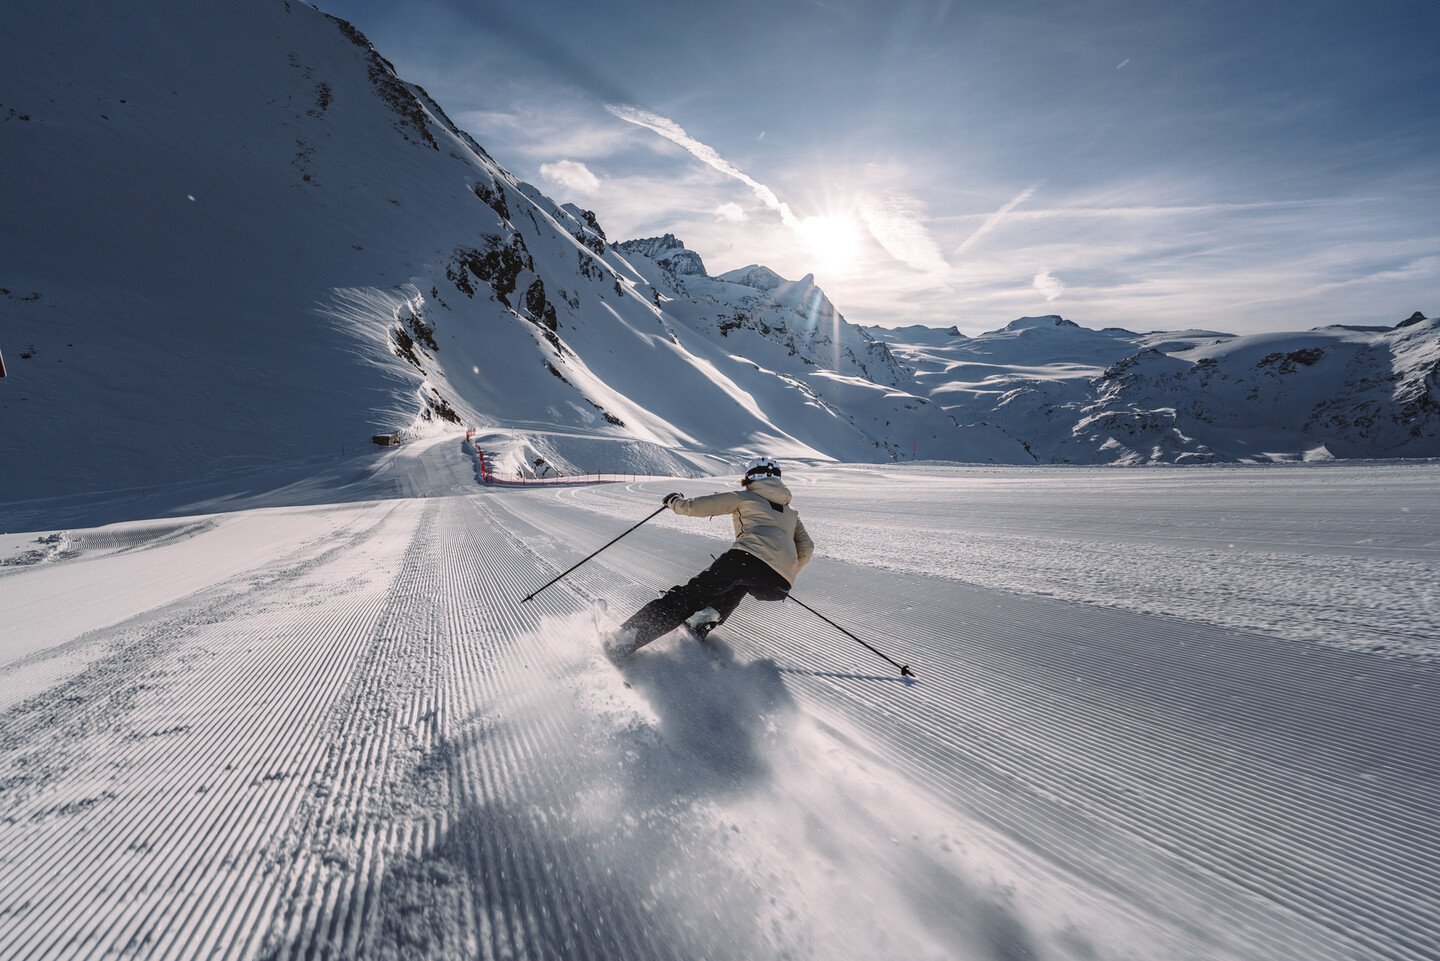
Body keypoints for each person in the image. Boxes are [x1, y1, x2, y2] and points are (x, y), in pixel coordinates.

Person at [607, 457, 814, 661]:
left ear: (751, 478)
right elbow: (807, 548)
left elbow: (702, 506)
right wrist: (784, 571)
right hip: (779, 584)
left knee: (688, 598)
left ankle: (624, 640)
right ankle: (705, 618)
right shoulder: (791, 513)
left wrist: (675, 502)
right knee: (740, 583)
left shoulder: (746, 497)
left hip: (747, 558)